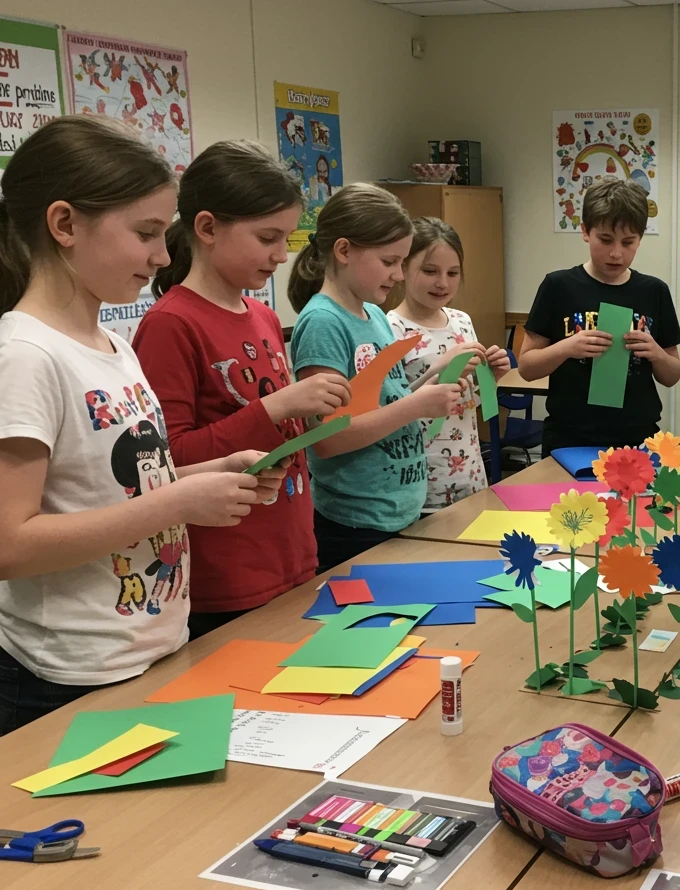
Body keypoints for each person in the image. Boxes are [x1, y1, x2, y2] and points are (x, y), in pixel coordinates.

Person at [0, 118, 283, 733]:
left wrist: (209, 474)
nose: (161, 256)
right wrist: (177, 501)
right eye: (146, 233)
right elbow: (11, 543)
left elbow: (113, 483)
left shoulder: (112, 344)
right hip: (68, 676)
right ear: (65, 225)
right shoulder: (25, 355)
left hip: (152, 645)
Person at [133, 141, 351, 641]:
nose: (281, 254)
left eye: (287, 237)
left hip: (293, 554)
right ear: (207, 228)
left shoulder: (265, 316)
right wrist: (276, 406)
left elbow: (286, 439)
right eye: (267, 237)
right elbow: (168, 459)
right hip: (226, 575)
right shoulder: (171, 324)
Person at [288, 185, 462, 572]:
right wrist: (416, 406)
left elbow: (383, 402)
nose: (399, 275)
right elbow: (328, 439)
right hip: (354, 524)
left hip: (397, 512)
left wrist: (431, 385)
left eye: (402, 262)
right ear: (345, 251)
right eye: (389, 262)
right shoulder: (323, 323)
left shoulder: (374, 315)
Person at [519, 179, 680, 453]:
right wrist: (567, 348)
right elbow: (526, 367)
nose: (616, 253)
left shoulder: (654, 291)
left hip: (638, 438)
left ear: (640, 238)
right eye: (605, 240)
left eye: (628, 242)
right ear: (585, 231)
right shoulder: (558, 286)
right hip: (570, 437)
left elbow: (672, 375)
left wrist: (656, 353)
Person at [386, 217, 509, 513]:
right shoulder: (391, 329)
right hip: (421, 482)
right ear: (403, 268)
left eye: (452, 273)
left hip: (470, 472)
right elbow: (388, 411)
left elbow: (471, 402)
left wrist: (491, 377)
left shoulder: (461, 321)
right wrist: (436, 370)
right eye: (429, 271)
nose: (442, 283)